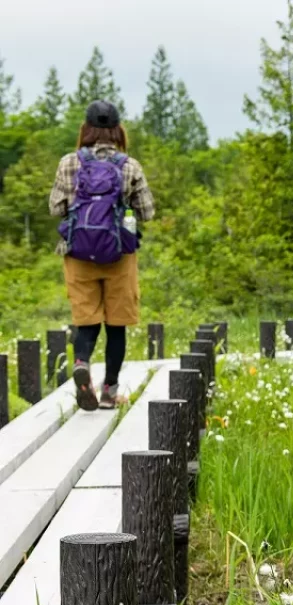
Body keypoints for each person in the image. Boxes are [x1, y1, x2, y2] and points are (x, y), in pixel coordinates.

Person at [49, 100, 155, 411]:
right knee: (116, 324)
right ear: (118, 130)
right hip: (119, 254)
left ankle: (82, 362)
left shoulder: (70, 162)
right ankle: (109, 391)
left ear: (86, 129)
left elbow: (55, 208)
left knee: (87, 320)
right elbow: (147, 212)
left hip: (77, 253)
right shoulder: (129, 165)